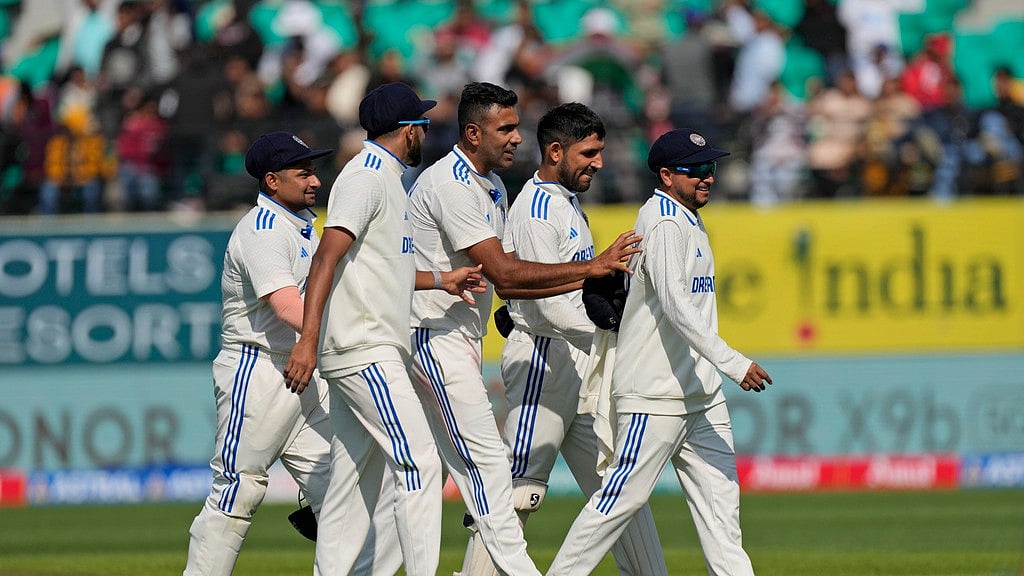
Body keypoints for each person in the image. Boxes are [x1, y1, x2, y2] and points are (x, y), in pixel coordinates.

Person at [405, 82, 639, 576]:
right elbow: (507, 275)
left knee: (616, 487)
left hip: (471, 339)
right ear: (472, 133)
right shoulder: (451, 184)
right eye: (505, 128)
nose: (516, 137)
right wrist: (593, 273)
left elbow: (513, 280)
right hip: (435, 336)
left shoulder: (492, 186)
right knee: (500, 481)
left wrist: (534, 294)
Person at [546, 128, 773, 576]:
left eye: (711, 168)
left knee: (723, 518)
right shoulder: (664, 221)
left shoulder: (688, 215)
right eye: (696, 171)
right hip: (656, 396)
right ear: (667, 175)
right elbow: (675, 305)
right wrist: (734, 363)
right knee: (615, 504)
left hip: (701, 397)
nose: (707, 178)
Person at [281, 82, 485, 576]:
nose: (427, 133)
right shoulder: (367, 176)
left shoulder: (388, 180)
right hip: (364, 347)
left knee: (352, 486)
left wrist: (442, 278)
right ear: (406, 130)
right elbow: (325, 257)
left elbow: (378, 266)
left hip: (364, 345)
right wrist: (307, 341)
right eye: (423, 124)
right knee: (420, 462)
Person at [474, 102, 667, 576]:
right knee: (518, 492)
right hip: (543, 359)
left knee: (618, 485)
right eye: (590, 153)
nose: (599, 163)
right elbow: (547, 308)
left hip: (577, 362)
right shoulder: (539, 208)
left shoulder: (564, 202)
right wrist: (619, 330)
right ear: (556, 151)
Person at [184, 130, 335, 576]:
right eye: (302, 172)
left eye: (313, 170)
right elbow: (287, 305)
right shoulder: (263, 230)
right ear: (272, 180)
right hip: (259, 369)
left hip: (302, 368)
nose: (314, 180)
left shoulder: (301, 223)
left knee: (344, 491)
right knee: (238, 490)